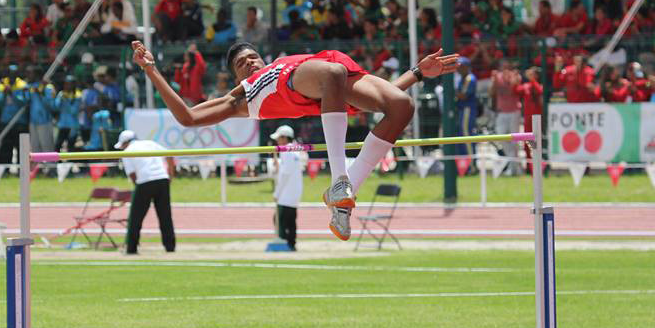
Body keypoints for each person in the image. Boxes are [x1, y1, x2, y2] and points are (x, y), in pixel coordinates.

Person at [131, 39, 458, 241]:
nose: (250, 62)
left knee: (402, 106)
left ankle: (343, 193)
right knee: (331, 73)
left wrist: (417, 73)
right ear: (237, 77)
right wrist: (151, 70)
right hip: (310, 76)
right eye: (241, 63)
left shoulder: (305, 78)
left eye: (253, 57)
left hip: (331, 69)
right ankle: (340, 182)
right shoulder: (244, 96)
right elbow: (187, 117)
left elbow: (379, 99)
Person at [115, 129, 175, 255]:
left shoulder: (127, 151)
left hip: (144, 181)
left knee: (135, 217)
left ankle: (131, 248)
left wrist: (138, 187)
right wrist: (170, 175)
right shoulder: (150, 143)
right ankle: (170, 247)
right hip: (162, 179)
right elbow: (170, 155)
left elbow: (132, 175)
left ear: (125, 143)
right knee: (165, 215)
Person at [270, 124, 302, 251]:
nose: (277, 141)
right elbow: (285, 170)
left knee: (280, 219)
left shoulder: (287, 151)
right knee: (290, 220)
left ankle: (285, 243)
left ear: (284, 138)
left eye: (278, 138)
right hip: (293, 191)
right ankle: (291, 244)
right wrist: (278, 165)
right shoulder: (295, 150)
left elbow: (285, 174)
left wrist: (277, 193)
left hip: (286, 193)